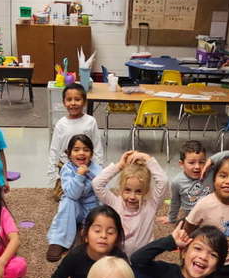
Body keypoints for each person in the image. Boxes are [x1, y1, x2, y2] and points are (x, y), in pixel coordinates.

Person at [92, 150, 167, 257]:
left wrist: (147, 158)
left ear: (146, 191)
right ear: (121, 187)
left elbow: (163, 181)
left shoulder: (151, 205)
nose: (132, 197)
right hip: (117, 259)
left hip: (143, 261)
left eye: (138, 191)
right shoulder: (115, 203)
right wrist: (119, 166)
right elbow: (97, 184)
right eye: (127, 190)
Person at [46, 133, 100, 263]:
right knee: (68, 200)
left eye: (86, 150)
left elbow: (101, 190)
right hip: (73, 209)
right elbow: (73, 194)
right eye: (76, 150)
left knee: (99, 221)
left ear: (91, 154)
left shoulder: (97, 169)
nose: (81, 153)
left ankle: (82, 233)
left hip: (91, 209)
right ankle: (58, 240)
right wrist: (80, 176)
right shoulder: (67, 168)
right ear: (69, 154)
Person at [47, 83, 104, 186]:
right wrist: (53, 174)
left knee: (91, 194)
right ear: (64, 102)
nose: (73, 103)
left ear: (84, 102)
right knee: (64, 195)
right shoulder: (60, 124)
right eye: (69, 100)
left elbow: (97, 147)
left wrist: (98, 169)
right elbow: (54, 149)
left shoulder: (90, 121)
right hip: (66, 166)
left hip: (86, 164)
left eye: (77, 99)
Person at [158, 140, 226, 224]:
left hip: (211, 213)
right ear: (181, 164)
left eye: (201, 162)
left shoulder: (210, 172)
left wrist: (210, 161)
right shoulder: (177, 182)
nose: (197, 166)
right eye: (191, 163)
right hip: (191, 218)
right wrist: (171, 218)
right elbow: (175, 202)